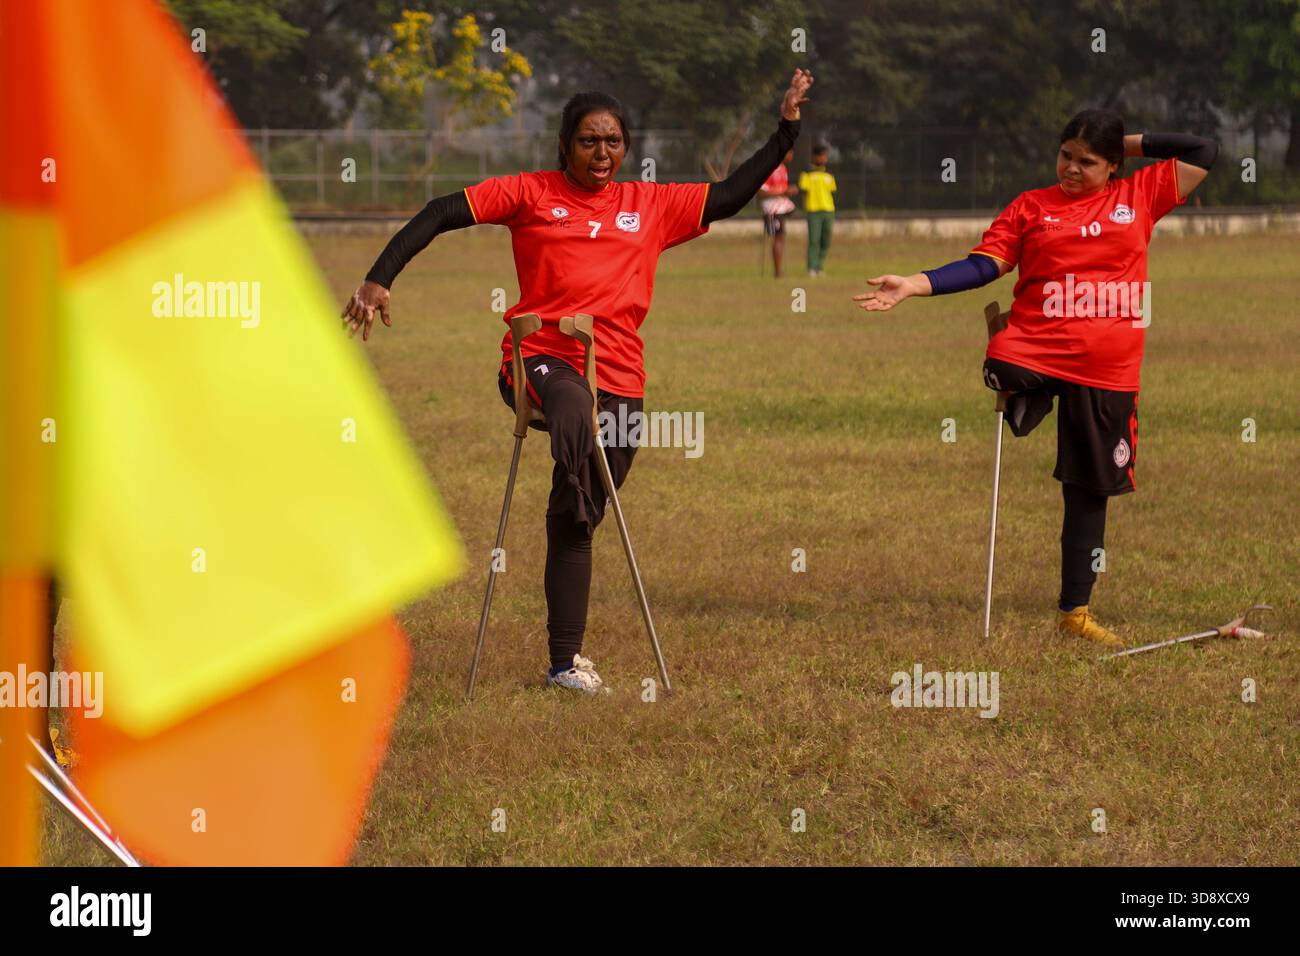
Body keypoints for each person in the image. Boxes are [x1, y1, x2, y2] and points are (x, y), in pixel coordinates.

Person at [343, 70, 814, 692]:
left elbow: (728, 196)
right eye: (589, 141)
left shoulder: (649, 205)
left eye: (614, 142)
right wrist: (380, 278)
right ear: (565, 145)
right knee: (571, 402)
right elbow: (441, 211)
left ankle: (564, 665)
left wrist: (786, 132)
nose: (602, 154)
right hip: (536, 358)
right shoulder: (531, 193)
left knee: (574, 519)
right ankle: (573, 473)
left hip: (620, 372)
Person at [852, 109, 1217, 647]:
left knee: (1089, 490)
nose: (1071, 168)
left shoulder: (1139, 196)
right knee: (1001, 361)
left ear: (1113, 165)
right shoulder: (1032, 206)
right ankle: (1026, 383)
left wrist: (1125, 142)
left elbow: (1203, 151)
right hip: (1037, 349)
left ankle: (1075, 614)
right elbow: (983, 266)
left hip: (1108, 369)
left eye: (1087, 161)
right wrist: (914, 282)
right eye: (1066, 155)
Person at [758, 150, 797, 277]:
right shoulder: (769, 169)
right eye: (789, 153)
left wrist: (789, 191)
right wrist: (783, 193)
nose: (791, 156)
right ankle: (777, 272)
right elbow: (761, 193)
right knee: (778, 238)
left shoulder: (783, 168)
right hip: (772, 209)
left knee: (780, 237)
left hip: (781, 207)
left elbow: (781, 189)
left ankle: (778, 270)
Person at [800, 143, 836, 275]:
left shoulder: (829, 173)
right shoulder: (807, 172)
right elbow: (803, 190)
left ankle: (820, 266)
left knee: (826, 239)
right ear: (815, 157)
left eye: (825, 156)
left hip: (828, 210)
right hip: (813, 211)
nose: (823, 159)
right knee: (814, 240)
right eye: (821, 156)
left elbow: (832, 191)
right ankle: (812, 267)